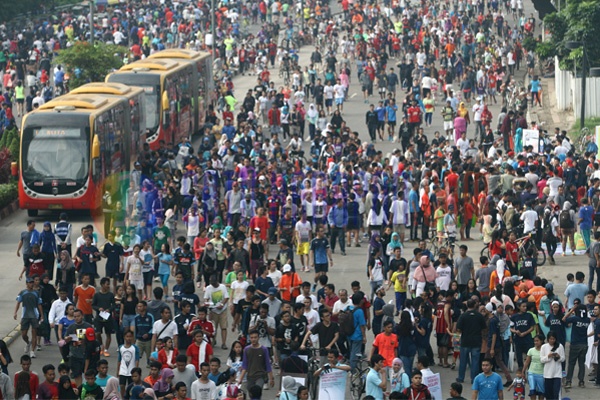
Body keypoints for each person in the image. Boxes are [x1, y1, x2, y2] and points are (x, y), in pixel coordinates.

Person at [455, 299, 487, 383]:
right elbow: (484, 328)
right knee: (475, 361)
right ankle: (474, 379)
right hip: (476, 341)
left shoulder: (463, 316)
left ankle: (461, 378)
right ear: (475, 305)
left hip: (465, 341)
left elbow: (458, 328)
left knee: (463, 361)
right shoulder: (479, 316)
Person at [14, 277, 43, 359]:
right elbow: (18, 303)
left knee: (34, 333)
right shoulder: (22, 292)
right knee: (23, 334)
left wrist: (41, 315)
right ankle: (28, 342)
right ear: (26, 284)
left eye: (32, 282)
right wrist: (15, 312)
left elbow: (39, 304)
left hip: (34, 315)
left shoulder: (36, 293)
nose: (31, 284)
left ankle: (32, 351)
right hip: (25, 315)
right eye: (30, 283)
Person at [540, 331, 565, 400]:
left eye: (553, 339)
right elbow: (542, 360)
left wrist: (558, 357)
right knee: (548, 393)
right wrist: (548, 356)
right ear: (548, 339)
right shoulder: (544, 347)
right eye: (550, 339)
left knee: (556, 392)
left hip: (557, 373)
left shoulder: (560, 346)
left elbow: (563, 359)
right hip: (547, 373)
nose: (552, 340)